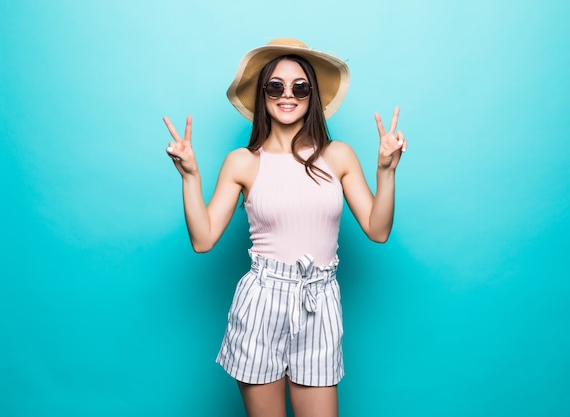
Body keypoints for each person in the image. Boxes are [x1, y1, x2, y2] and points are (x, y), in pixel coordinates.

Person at [163, 38, 407, 417]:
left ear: (312, 95)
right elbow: (203, 239)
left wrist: (386, 172)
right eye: (275, 86)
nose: (287, 95)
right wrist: (190, 178)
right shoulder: (242, 162)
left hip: (319, 301)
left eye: (299, 87)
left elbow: (378, 231)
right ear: (263, 95)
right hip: (262, 300)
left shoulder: (337, 155)